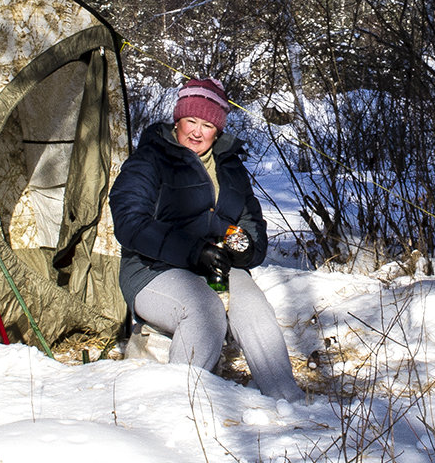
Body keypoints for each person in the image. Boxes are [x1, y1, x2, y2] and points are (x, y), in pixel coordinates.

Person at [109, 78, 305, 401]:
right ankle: (185, 405)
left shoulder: (229, 166)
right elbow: (130, 222)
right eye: (191, 121)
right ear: (178, 120)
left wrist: (245, 250)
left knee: (253, 304)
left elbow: (252, 221)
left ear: (219, 129)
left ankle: (287, 401)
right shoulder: (150, 159)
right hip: (152, 270)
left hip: (215, 266)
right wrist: (193, 250)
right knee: (205, 310)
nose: (198, 132)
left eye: (208, 124)